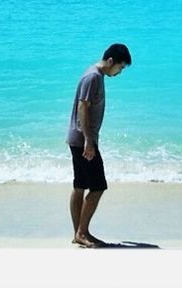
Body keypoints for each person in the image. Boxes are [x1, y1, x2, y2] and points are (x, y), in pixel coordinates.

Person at [66, 42, 132, 248]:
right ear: (111, 61)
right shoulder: (93, 77)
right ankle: (82, 232)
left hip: (78, 138)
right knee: (98, 187)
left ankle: (79, 233)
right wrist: (88, 140)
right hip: (82, 139)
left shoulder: (95, 75)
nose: (119, 72)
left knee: (80, 185)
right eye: (120, 68)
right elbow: (83, 107)